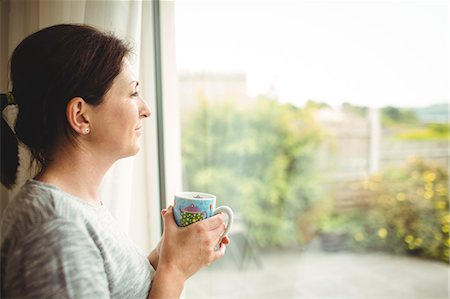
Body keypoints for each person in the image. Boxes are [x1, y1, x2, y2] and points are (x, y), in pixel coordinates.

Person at [0, 24, 230, 299]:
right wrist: (174, 270)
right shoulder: (54, 227)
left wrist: (167, 253)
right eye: (133, 93)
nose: (146, 110)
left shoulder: (76, 207)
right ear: (81, 116)